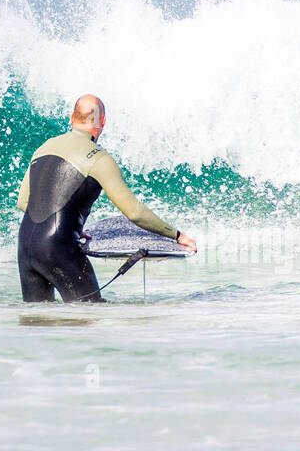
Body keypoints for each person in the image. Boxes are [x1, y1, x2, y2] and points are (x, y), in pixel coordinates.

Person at [16, 94, 197, 303]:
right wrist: (177, 235)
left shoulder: (44, 147)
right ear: (102, 122)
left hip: (25, 247)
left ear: (71, 118)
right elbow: (135, 213)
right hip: (59, 248)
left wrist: (65, 224)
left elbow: (23, 202)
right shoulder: (99, 158)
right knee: (89, 316)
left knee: (37, 322)